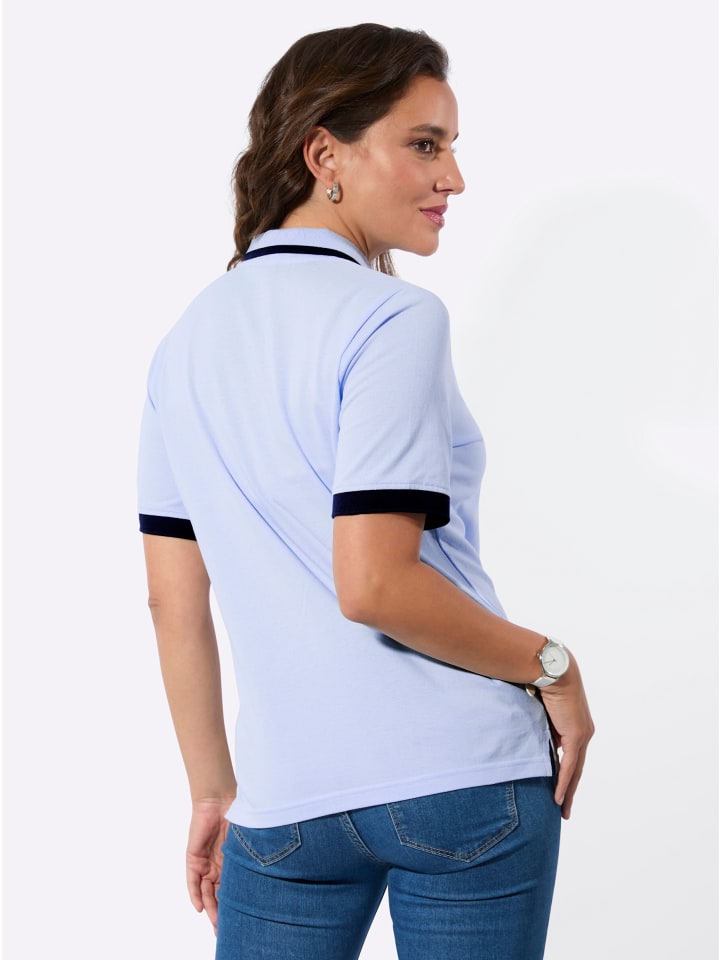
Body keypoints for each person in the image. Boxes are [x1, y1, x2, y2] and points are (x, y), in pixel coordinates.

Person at [138, 23, 594, 960]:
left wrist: (214, 792)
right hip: (461, 781)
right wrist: (551, 664)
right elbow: (376, 585)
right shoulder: (393, 317)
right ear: (325, 156)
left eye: (451, 147)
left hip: (286, 805)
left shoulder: (183, 346)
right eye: (425, 145)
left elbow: (171, 600)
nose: (453, 178)